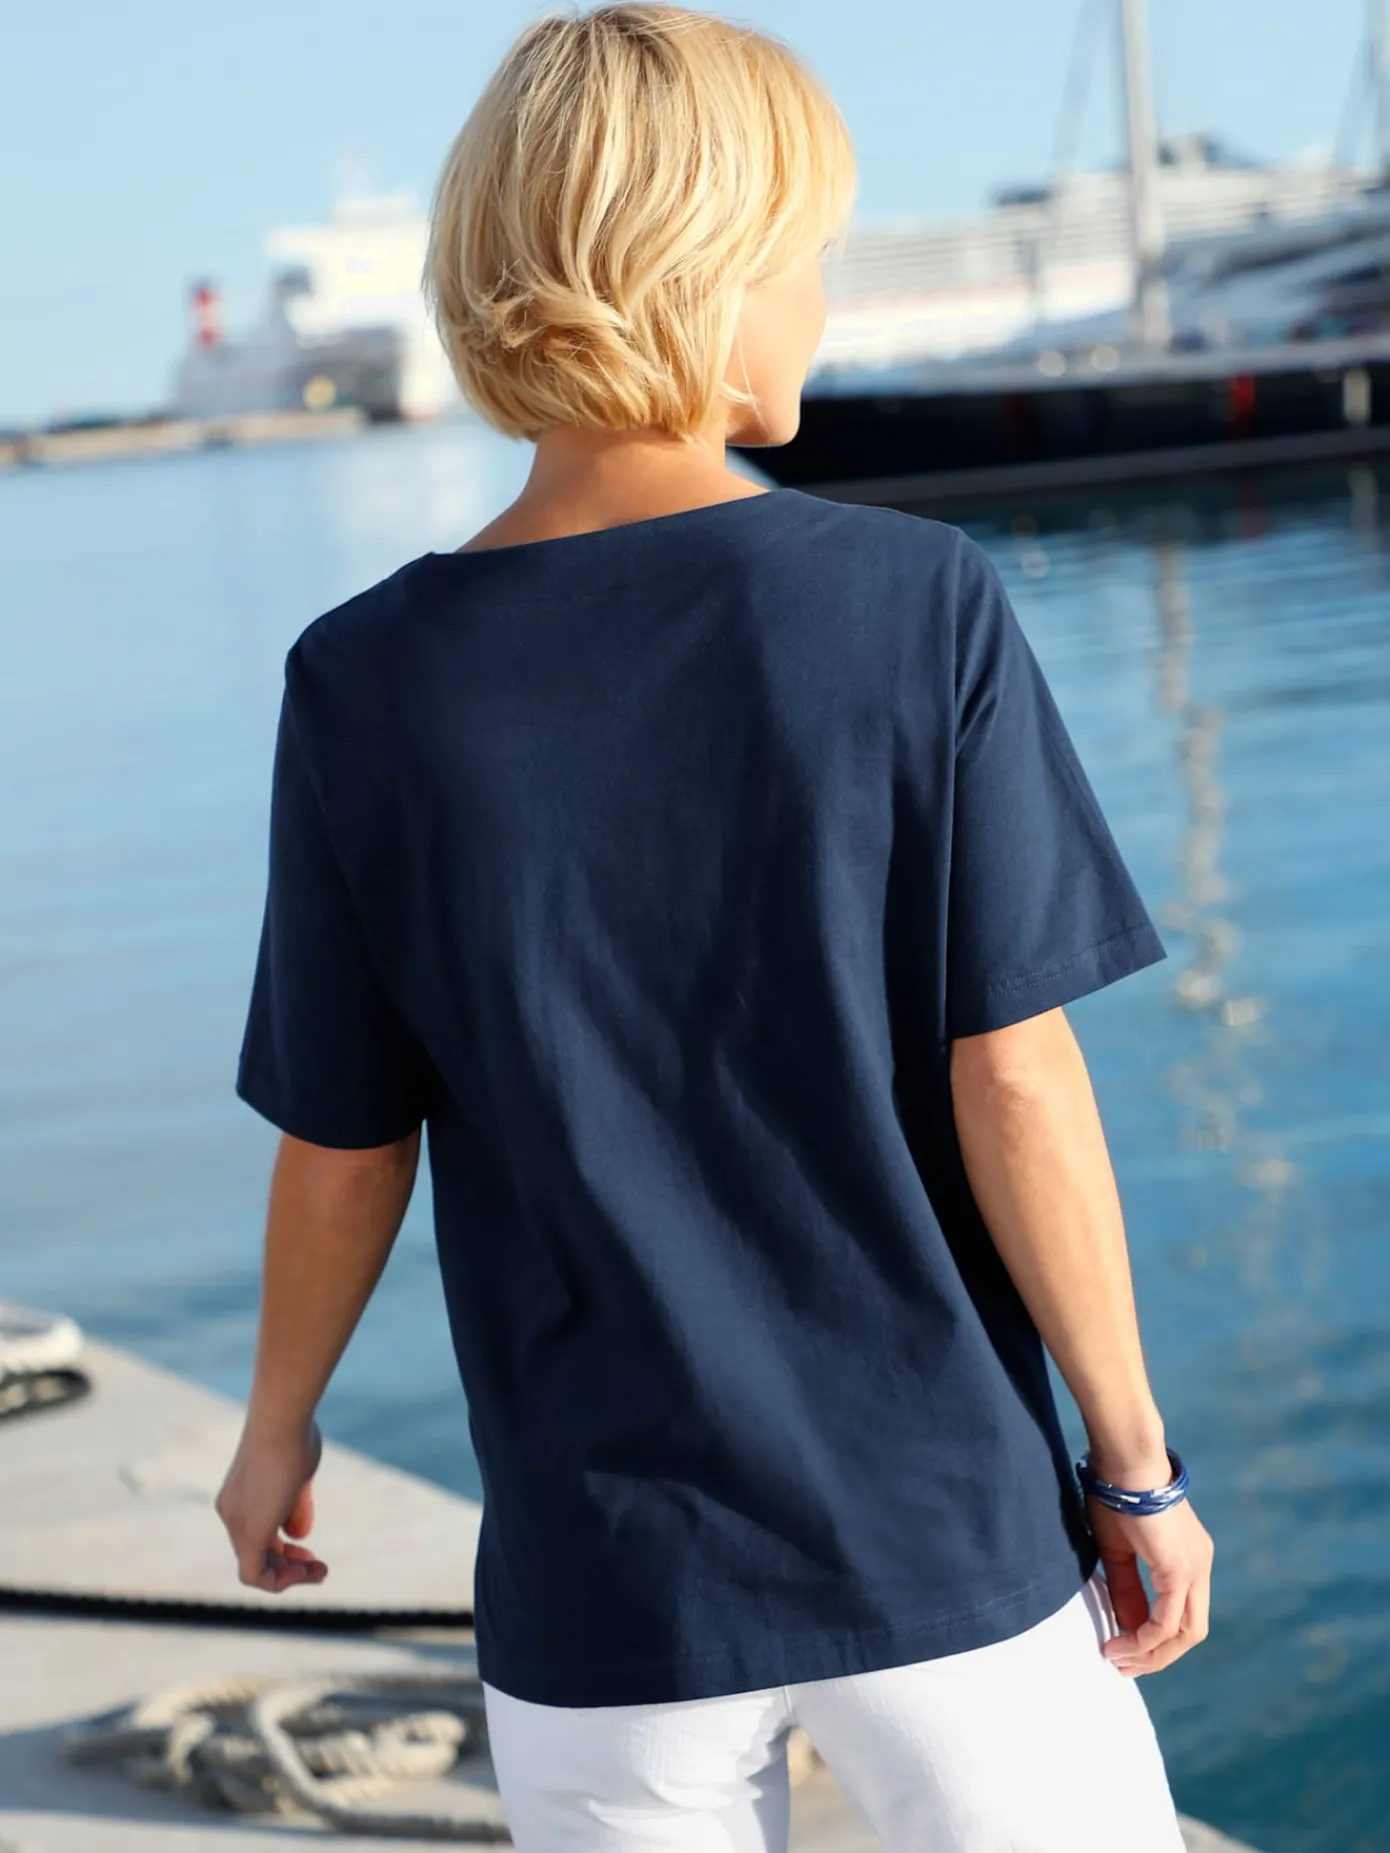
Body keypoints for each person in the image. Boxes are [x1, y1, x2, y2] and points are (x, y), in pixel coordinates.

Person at [216, 8, 1214, 1849]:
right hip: (942, 1539)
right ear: (701, 269)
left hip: (603, 1586)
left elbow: (345, 1140)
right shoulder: (908, 602)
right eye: (807, 253)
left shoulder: (359, 680)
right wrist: (1134, 1466)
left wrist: (279, 1421)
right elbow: (1012, 1077)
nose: (821, 301)